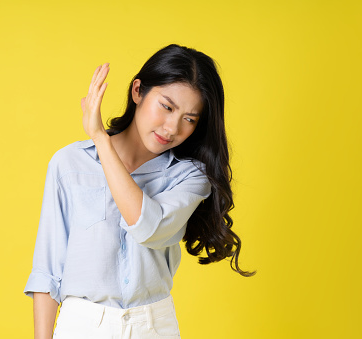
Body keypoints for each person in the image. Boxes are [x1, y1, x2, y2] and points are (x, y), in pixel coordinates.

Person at [24, 43, 256, 339]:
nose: (172, 127)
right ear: (138, 92)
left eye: (189, 119)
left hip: (153, 327)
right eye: (167, 107)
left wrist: (100, 139)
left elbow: (148, 226)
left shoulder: (190, 175)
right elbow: (48, 270)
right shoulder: (69, 164)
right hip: (81, 326)